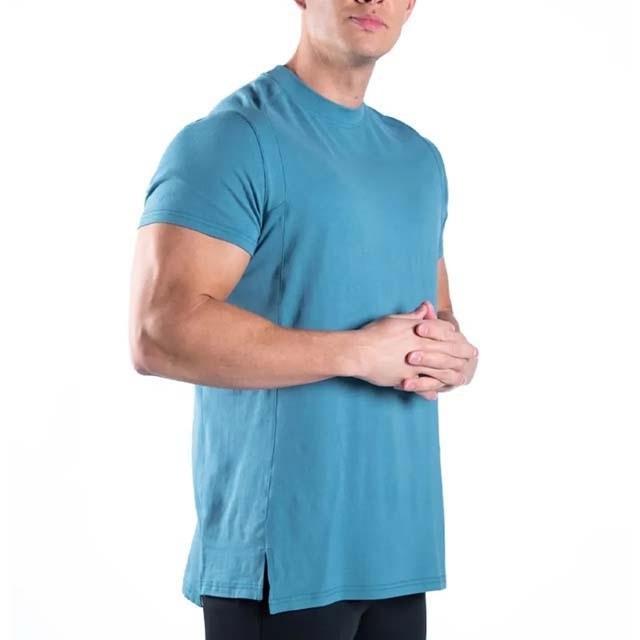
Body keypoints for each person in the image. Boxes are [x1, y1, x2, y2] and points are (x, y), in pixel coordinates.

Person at [129, 0, 478, 637]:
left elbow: (436, 313)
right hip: (284, 565)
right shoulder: (232, 140)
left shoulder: (418, 159)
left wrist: (451, 355)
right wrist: (357, 353)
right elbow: (159, 332)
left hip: (400, 551)